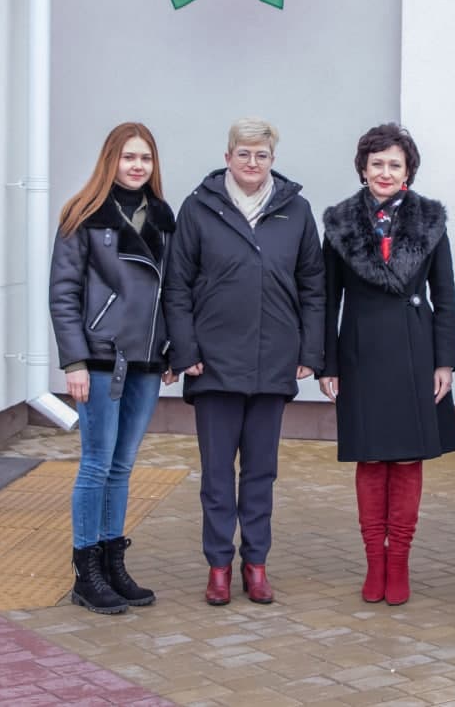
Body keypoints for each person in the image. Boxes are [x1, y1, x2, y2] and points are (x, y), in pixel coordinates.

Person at [163, 117, 325, 606]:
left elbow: (314, 286)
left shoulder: (296, 211)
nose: (252, 164)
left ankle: (256, 565)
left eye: (262, 155)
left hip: (274, 361)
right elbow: (177, 286)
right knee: (216, 475)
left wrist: (309, 352)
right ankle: (218, 566)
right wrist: (186, 349)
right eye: (244, 154)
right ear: (228, 155)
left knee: (260, 472)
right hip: (213, 365)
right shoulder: (197, 209)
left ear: (272, 159)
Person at [318, 123, 455, 606]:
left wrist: (446, 362)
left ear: (408, 171)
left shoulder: (430, 220)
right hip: (359, 349)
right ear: (363, 168)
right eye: (376, 163)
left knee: (405, 457)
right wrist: (327, 365)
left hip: (415, 349)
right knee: (371, 457)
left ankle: (398, 562)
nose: (384, 171)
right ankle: (372, 564)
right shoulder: (338, 222)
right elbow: (325, 299)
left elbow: (444, 293)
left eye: (394, 164)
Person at [49, 121, 178, 615]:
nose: (137, 166)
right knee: (97, 463)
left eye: (145, 158)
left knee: (122, 466)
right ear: (111, 160)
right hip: (101, 359)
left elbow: (175, 291)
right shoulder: (82, 216)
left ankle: (111, 559)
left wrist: (171, 350)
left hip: (146, 360)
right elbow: (63, 294)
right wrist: (75, 361)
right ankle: (87, 571)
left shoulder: (164, 219)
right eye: (128, 157)